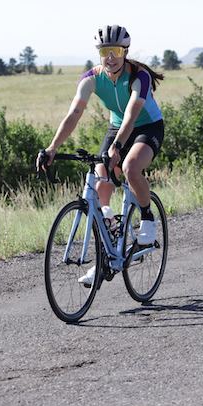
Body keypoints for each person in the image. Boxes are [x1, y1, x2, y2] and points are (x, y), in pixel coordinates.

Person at [37, 25, 165, 286]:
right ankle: (108, 240)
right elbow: (74, 115)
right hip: (117, 127)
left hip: (147, 126)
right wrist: (52, 148)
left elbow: (131, 115)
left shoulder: (139, 76)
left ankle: (147, 219)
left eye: (116, 51)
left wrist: (117, 146)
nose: (110, 57)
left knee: (129, 167)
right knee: (100, 173)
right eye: (105, 51)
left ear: (125, 52)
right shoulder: (91, 78)